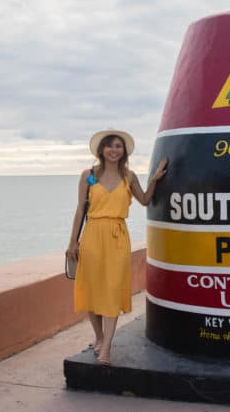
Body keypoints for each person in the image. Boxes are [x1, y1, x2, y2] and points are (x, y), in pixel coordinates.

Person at [66, 129, 167, 365]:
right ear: (101, 150)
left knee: (111, 290)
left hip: (117, 237)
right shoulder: (89, 176)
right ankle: (99, 337)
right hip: (92, 234)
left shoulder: (128, 177)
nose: (114, 150)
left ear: (124, 151)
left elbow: (143, 200)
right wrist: (73, 241)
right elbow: (81, 210)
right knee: (91, 290)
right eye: (109, 146)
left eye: (118, 146)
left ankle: (106, 349)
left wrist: (153, 180)